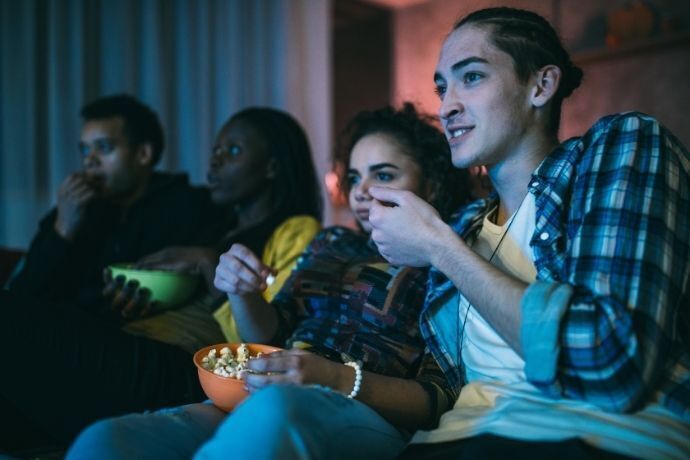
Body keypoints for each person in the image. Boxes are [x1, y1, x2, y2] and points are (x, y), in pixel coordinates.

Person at [360, 7, 690, 459]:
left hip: (599, 438)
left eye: (471, 77)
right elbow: (436, 386)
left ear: (541, 85)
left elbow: (613, 361)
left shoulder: (621, 145)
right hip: (452, 442)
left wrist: (439, 248)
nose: (447, 106)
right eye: (442, 87)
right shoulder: (463, 224)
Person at [65, 103, 473, 460]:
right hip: (263, 392)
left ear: (430, 184)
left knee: (273, 413)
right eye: (353, 177)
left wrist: (330, 377)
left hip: (364, 411)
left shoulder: (443, 258)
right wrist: (242, 293)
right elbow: (273, 330)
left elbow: (439, 397)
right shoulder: (333, 241)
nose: (361, 191)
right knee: (111, 439)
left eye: (382, 174)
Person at [0, 107, 323, 454]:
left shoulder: (294, 230)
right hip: (128, 342)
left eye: (232, 151)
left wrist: (205, 261)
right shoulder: (213, 222)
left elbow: (267, 336)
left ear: (273, 166)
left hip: (184, 367)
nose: (213, 162)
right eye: (215, 150)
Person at [7, 94, 228, 311]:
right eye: (85, 149)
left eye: (103, 148)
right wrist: (63, 229)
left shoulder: (188, 206)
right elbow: (20, 294)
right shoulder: (75, 209)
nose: (89, 160)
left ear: (143, 153)